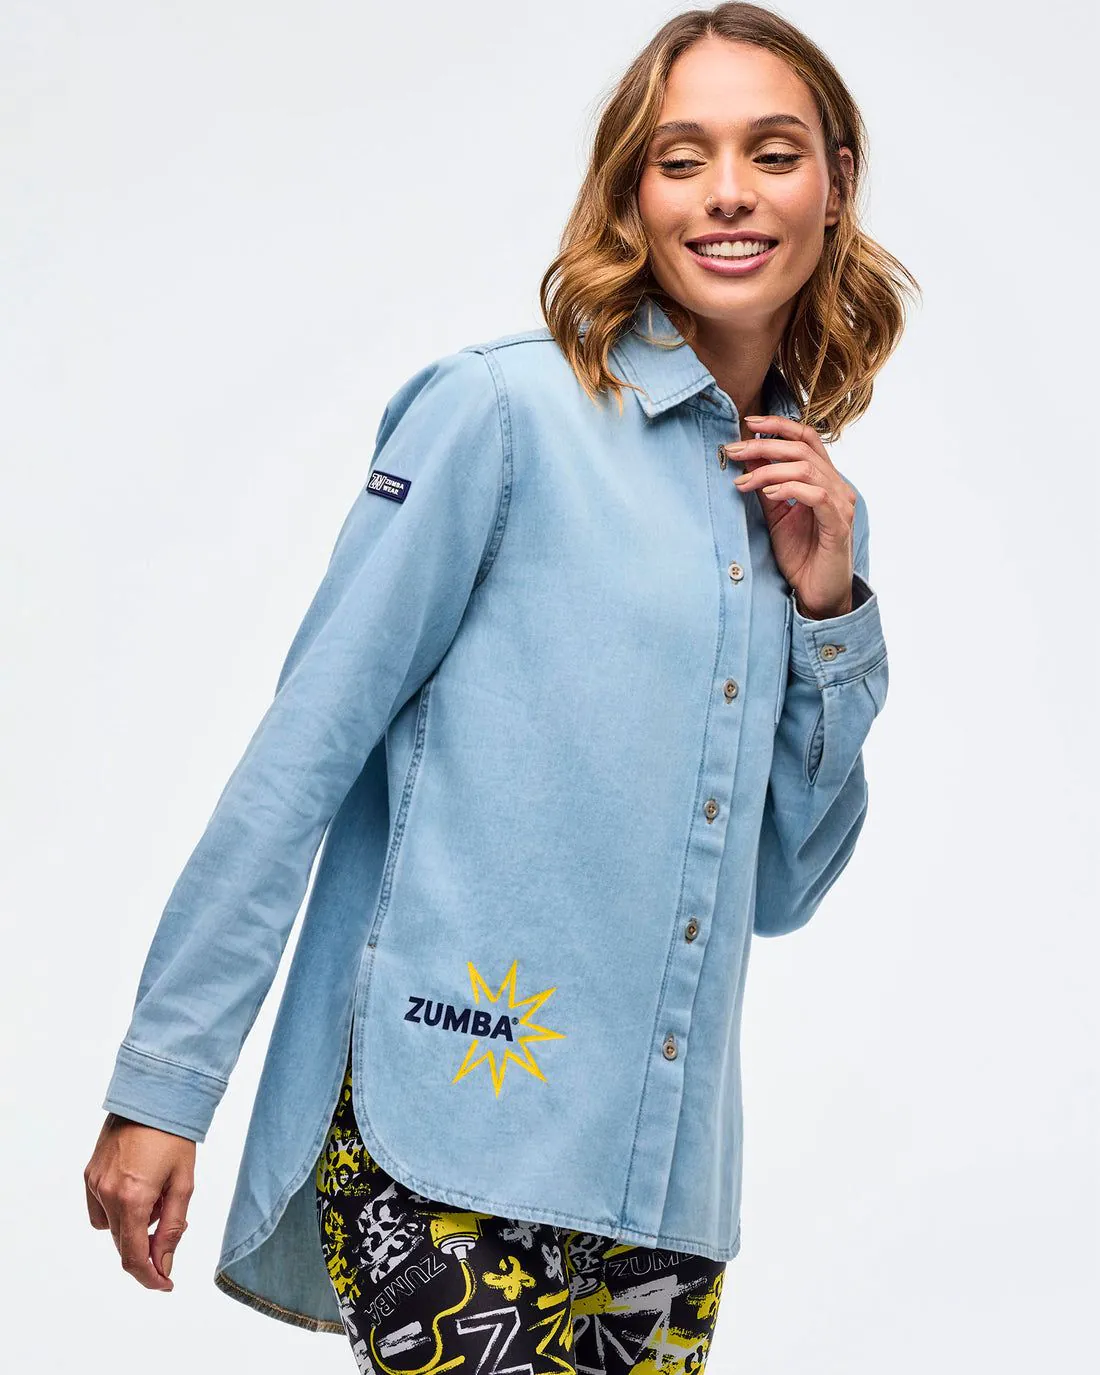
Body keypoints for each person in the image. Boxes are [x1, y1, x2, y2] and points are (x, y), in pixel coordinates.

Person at [85, 3, 915, 1368]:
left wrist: (832, 613)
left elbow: (782, 886)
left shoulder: (804, 506)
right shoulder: (499, 416)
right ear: (632, 195)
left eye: (771, 153)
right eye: (682, 158)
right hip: (448, 1134)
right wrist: (165, 1082)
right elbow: (304, 753)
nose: (727, 192)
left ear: (835, 184)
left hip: (661, 1187)